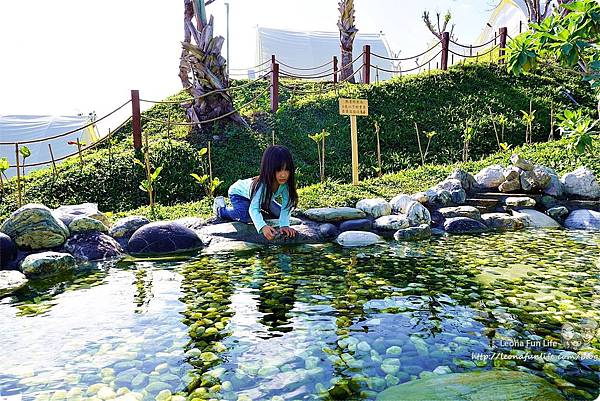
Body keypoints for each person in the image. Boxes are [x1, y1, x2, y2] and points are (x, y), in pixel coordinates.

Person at [213, 145, 299, 240]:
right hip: (238, 194)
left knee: (279, 213)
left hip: (264, 198)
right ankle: (220, 210)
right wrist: (263, 226)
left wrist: (284, 226)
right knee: (245, 216)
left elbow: (286, 206)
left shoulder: (286, 184)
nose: (283, 174)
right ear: (269, 169)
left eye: (287, 169)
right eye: (278, 170)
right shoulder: (261, 186)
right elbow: (253, 209)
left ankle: (259, 209)